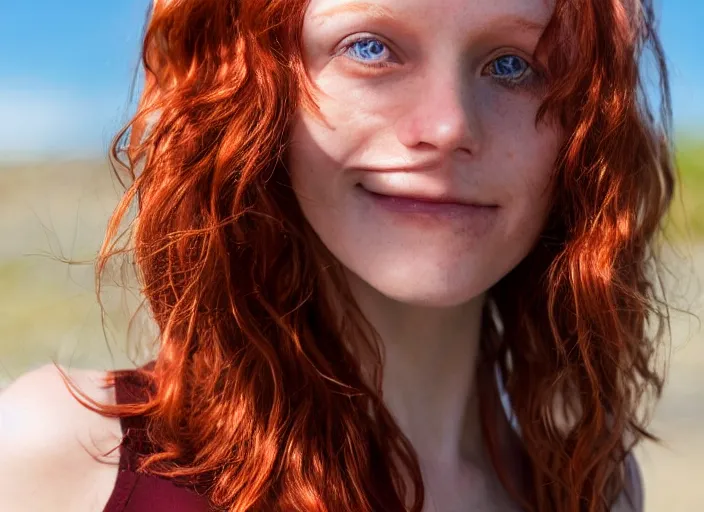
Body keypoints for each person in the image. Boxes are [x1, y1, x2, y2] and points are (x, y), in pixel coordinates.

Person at [0, 0, 675, 510]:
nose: (447, 127)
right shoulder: (71, 459)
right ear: (251, 91)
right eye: (371, 48)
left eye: (512, 64)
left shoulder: (596, 488)